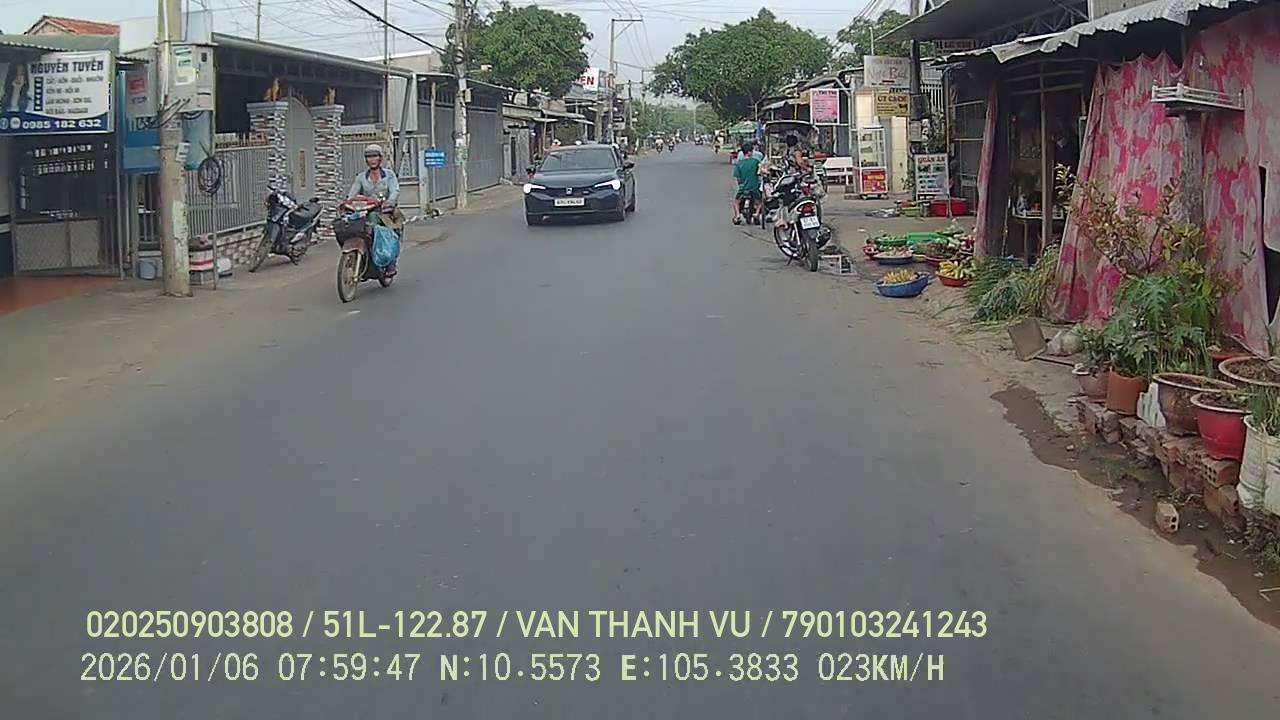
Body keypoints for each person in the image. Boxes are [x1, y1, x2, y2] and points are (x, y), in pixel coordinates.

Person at [348, 143, 403, 273]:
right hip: (365, 211)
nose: (372, 159)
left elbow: (395, 190)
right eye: (369, 156)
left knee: (390, 233)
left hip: (385, 212)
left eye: (374, 156)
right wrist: (347, 203)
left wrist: (390, 201)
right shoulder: (361, 177)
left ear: (380, 158)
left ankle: (390, 263)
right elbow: (352, 194)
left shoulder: (389, 175)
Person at [731, 141, 763, 225]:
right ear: (749, 152)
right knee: (760, 201)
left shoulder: (739, 164)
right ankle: (756, 213)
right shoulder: (755, 162)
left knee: (736, 201)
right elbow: (760, 172)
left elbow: (738, 178)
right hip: (754, 187)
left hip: (743, 188)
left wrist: (741, 185)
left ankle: (738, 215)